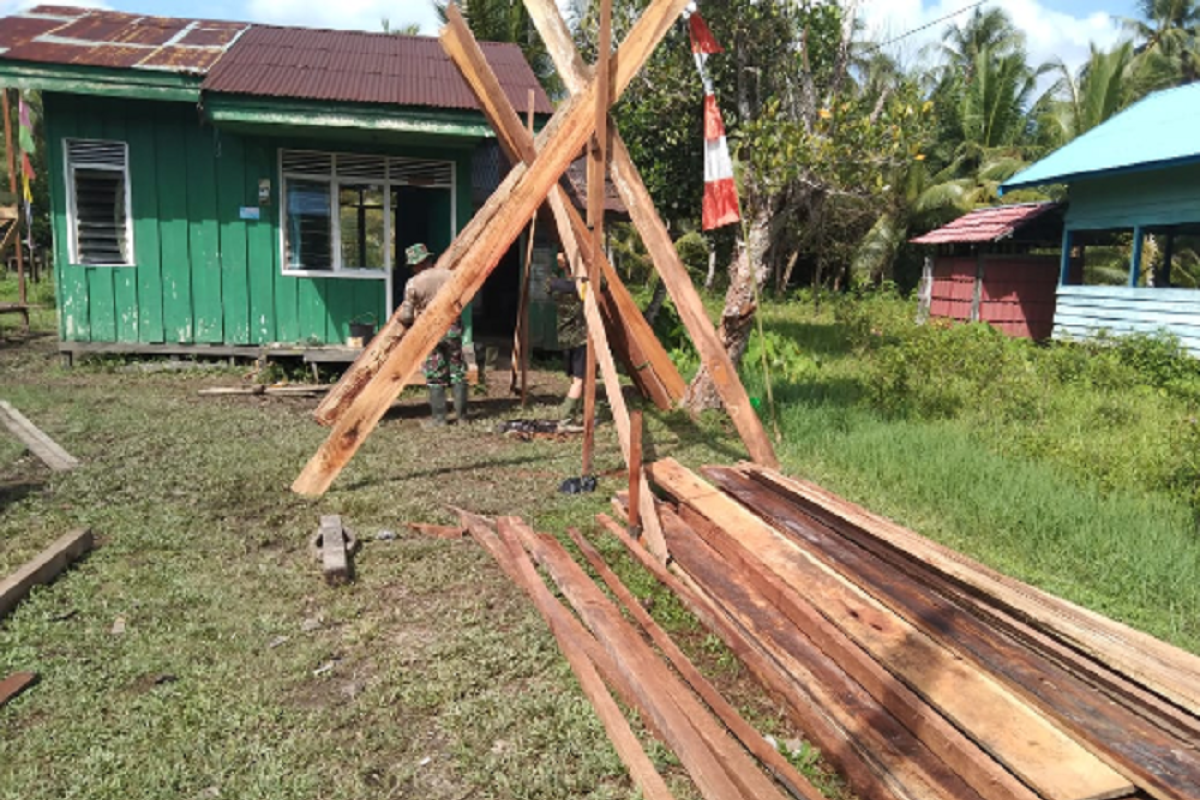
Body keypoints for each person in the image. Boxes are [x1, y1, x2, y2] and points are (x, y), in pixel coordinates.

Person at [398, 243, 467, 427]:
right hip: (453, 329)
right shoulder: (449, 275)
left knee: (435, 374)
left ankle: (439, 419)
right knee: (458, 371)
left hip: (431, 333)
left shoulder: (413, 283)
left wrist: (405, 323)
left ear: (416, 264)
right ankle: (462, 418)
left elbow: (406, 315)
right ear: (428, 259)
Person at [547, 251, 588, 432]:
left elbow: (550, 282)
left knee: (575, 380)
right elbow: (602, 283)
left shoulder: (556, 287)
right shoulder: (582, 286)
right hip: (580, 339)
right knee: (579, 381)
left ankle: (576, 414)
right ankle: (565, 420)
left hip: (564, 339)